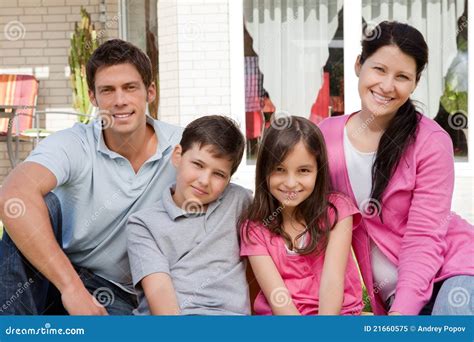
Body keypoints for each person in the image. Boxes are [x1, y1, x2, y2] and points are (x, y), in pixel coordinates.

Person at [0, 39, 182, 315]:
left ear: (151, 91)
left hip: (126, 291)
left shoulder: (182, 147)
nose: (119, 100)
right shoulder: (76, 143)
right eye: (107, 90)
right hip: (61, 277)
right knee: (36, 205)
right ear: (94, 97)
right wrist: (71, 287)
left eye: (130, 87)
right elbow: (13, 194)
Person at [318, 21, 474, 315]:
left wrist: (400, 317)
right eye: (379, 69)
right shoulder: (326, 137)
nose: (387, 86)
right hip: (394, 297)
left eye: (402, 76)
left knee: (454, 314)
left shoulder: (430, 142)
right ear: (358, 65)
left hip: (456, 272)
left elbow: (424, 236)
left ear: (415, 83)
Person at [126, 115, 251, 315]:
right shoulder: (143, 225)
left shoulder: (239, 201)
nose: (204, 180)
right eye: (198, 165)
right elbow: (164, 309)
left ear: (229, 179)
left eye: (218, 174)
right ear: (178, 155)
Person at [240, 116, 363, 315]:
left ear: (318, 171)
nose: (290, 183)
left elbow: (332, 282)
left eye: (303, 171)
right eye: (279, 170)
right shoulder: (255, 228)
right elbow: (277, 297)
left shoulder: (337, 211)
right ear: (264, 171)